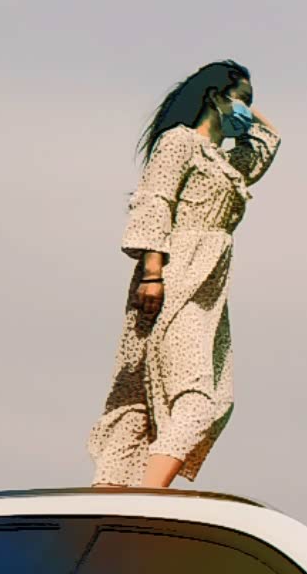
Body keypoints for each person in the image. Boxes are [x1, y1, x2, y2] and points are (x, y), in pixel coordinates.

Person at [88, 60, 279, 489]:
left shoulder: (226, 163)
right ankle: (147, 497)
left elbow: (269, 141)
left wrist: (244, 107)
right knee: (194, 399)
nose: (247, 111)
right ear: (214, 95)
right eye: (242, 99)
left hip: (209, 285)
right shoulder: (179, 142)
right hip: (177, 273)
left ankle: (111, 494)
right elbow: (155, 200)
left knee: (165, 397)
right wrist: (152, 274)